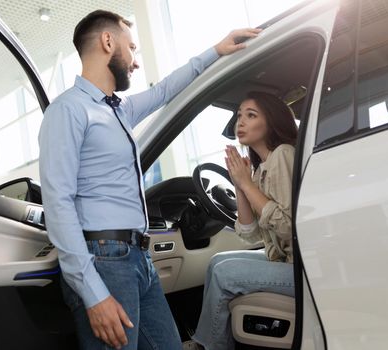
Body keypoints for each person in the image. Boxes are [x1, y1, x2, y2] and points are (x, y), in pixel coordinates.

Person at [38, 9, 261, 350]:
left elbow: (166, 90)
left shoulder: (119, 110)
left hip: (139, 258)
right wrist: (93, 293)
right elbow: (57, 204)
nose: (135, 62)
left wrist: (215, 50)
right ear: (108, 41)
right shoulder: (68, 111)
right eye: (132, 48)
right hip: (104, 263)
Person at [192, 91, 299, 349]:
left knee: (225, 273)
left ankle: (208, 346)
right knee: (217, 261)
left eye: (251, 115)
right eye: (239, 115)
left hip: (299, 269)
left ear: (271, 121)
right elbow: (250, 235)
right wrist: (240, 185)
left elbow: (288, 227)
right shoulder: (261, 168)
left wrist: (247, 185)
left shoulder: (283, 154)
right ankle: (205, 341)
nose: (240, 122)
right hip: (282, 260)